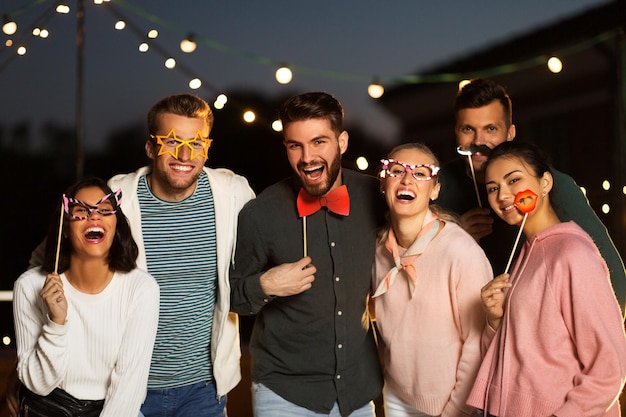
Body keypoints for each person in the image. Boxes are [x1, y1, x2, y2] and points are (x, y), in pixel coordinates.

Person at [13, 93, 255, 417]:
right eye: (171, 141)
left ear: (207, 148)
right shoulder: (116, 198)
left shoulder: (233, 194)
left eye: (196, 143)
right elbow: (46, 259)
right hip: (125, 387)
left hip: (203, 390)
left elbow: (261, 257)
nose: (184, 153)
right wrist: (25, 372)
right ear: (150, 148)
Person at [230, 92, 385, 417]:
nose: (307, 157)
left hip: (357, 391)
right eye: (295, 145)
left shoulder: (377, 198)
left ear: (341, 141)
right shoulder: (261, 213)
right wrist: (265, 285)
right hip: (285, 394)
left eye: (319, 142)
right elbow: (232, 296)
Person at [435, 78, 626, 313]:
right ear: (456, 132)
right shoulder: (437, 185)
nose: (478, 141)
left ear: (510, 132)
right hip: (466, 330)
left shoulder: (549, 183)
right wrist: (453, 238)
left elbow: (610, 272)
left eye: (491, 129)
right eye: (468, 129)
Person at [466, 141, 626, 416]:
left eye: (513, 180)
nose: (503, 195)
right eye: (493, 188)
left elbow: (609, 369)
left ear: (545, 183)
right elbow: (521, 353)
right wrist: (494, 322)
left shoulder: (572, 253)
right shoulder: (528, 253)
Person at [13, 177, 160, 416]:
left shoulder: (142, 288)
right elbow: (38, 384)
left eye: (104, 210)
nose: (94, 217)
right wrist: (56, 323)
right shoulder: (29, 287)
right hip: (49, 408)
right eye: (81, 211)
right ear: (66, 229)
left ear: (116, 224)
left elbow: (128, 387)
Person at [372, 143, 492, 417]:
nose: (407, 179)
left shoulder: (461, 251)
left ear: (435, 190)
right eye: (397, 170)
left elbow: (478, 344)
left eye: (421, 173)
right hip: (396, 396)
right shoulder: (379, 251)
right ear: (383, 183)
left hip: (449, 405)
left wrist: (456, 412)